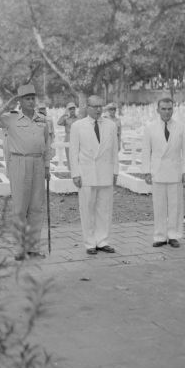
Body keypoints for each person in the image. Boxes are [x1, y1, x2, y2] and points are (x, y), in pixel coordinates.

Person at [0, 84, 51, 261]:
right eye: (27, 99)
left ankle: (33, 248)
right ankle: (19, 248)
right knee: (20, 208)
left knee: (36, 207)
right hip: (19, 162)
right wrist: (6, 107)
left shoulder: (42, 119)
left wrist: (47, 166)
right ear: (20, 101)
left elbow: (47, 143)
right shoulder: (10, 118)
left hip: (37, 162)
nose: (31, 101)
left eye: (32, 98)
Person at [69, 95, 119, 255]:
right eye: (95, 106)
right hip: (86, 173)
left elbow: (114, 151)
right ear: (87, 107)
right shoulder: (78, 126)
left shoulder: (111, 126)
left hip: (105, 172)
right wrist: (75, 173)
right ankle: (90, 243)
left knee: (104, 209)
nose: (98, 109)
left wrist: (115, 171)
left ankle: (103, 240)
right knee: (87, 209)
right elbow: (73, 152)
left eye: (100, 106)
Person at [142, 97, 185, 248]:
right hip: (158, 171)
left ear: (173, 110)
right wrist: (146, 171)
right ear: (158, 110)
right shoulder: (150, 128)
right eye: (163, 109)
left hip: (175, 171)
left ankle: (173, 235)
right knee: (159, 205)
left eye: (169, 109)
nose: (167, 112)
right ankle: (160, 236)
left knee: (175, 205)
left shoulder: (181, 127)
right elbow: (146, 151)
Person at [57, 102, 79, 171]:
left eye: (73, 108)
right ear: (68, 110)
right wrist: (64, 114)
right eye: (70, 109)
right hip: (68, 137)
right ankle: (70, 170)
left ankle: (77, 171)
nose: (72, 110)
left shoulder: (78, 118)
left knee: (77, 155)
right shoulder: (66, 119)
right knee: (69, 155)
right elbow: (59, 123)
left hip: (76, 137)